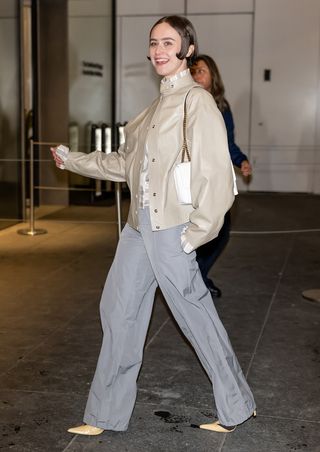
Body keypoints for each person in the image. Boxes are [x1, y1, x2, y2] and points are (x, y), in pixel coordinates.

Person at [51, 15, 256, 436]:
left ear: (187, 49)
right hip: (138, 227)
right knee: (119, 310)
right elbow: (124, 165)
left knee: (195, 317)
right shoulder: (152, 110)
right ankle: (104, 414)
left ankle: (237, 406)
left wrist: (196, 233)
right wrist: (73, 161)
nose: (159, 50)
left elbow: (217, 176)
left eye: (168, 42)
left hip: (173, 229)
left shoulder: (197, 102)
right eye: (153, 43)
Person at [191, 54, 252, 298]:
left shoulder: (221, 106)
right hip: (190, 179)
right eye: (193, 71)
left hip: (215, 180)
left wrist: (241, 160)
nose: (197, 76)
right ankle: (192, 279)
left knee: (221, 230)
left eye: (202, 71)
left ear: (213, 76)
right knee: (193, 231)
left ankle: (198, 276)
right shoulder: (184, 103)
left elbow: (228, 143)